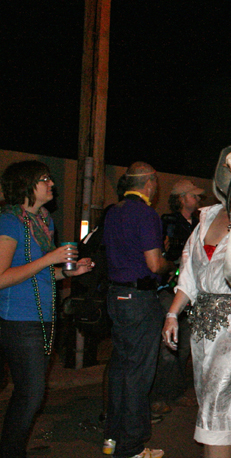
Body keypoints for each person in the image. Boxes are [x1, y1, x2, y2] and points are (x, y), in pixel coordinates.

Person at [0, 161, 94, 457]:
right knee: (31, 394)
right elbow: (1, 278)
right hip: (18, 319)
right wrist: (50, 258)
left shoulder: (43, 221)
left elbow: (42, 275)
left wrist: (69, 273)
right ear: (26, 185)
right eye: (44, 179)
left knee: (31, 394)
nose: (51, 183)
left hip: (43, 318)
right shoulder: (9, 221)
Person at [162, 203, 231, 458]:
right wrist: (172, 314)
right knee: (215, 399)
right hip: (203, 325)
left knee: (217, 405)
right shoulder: (206, 218)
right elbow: (188, 275)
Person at [103, 162, 175, 458]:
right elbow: (155, 265)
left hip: (116, 296)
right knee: (138, 375)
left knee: (120, 370)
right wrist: (169, 264)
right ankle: (132, 447)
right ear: (150, 183)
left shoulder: (114, 212)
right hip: (138, 300)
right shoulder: (145, 214)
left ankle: (112, 439)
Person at [151, 179, 205, 415]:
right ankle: (159, 395)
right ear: (181, 198)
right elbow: (160, 253)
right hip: (170, 288)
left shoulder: (201, 223)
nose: (198, 199)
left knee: (185, 345)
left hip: (193, 289)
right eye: (193, 196)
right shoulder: (168, 222)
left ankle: (177, 391)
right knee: (168, 346)